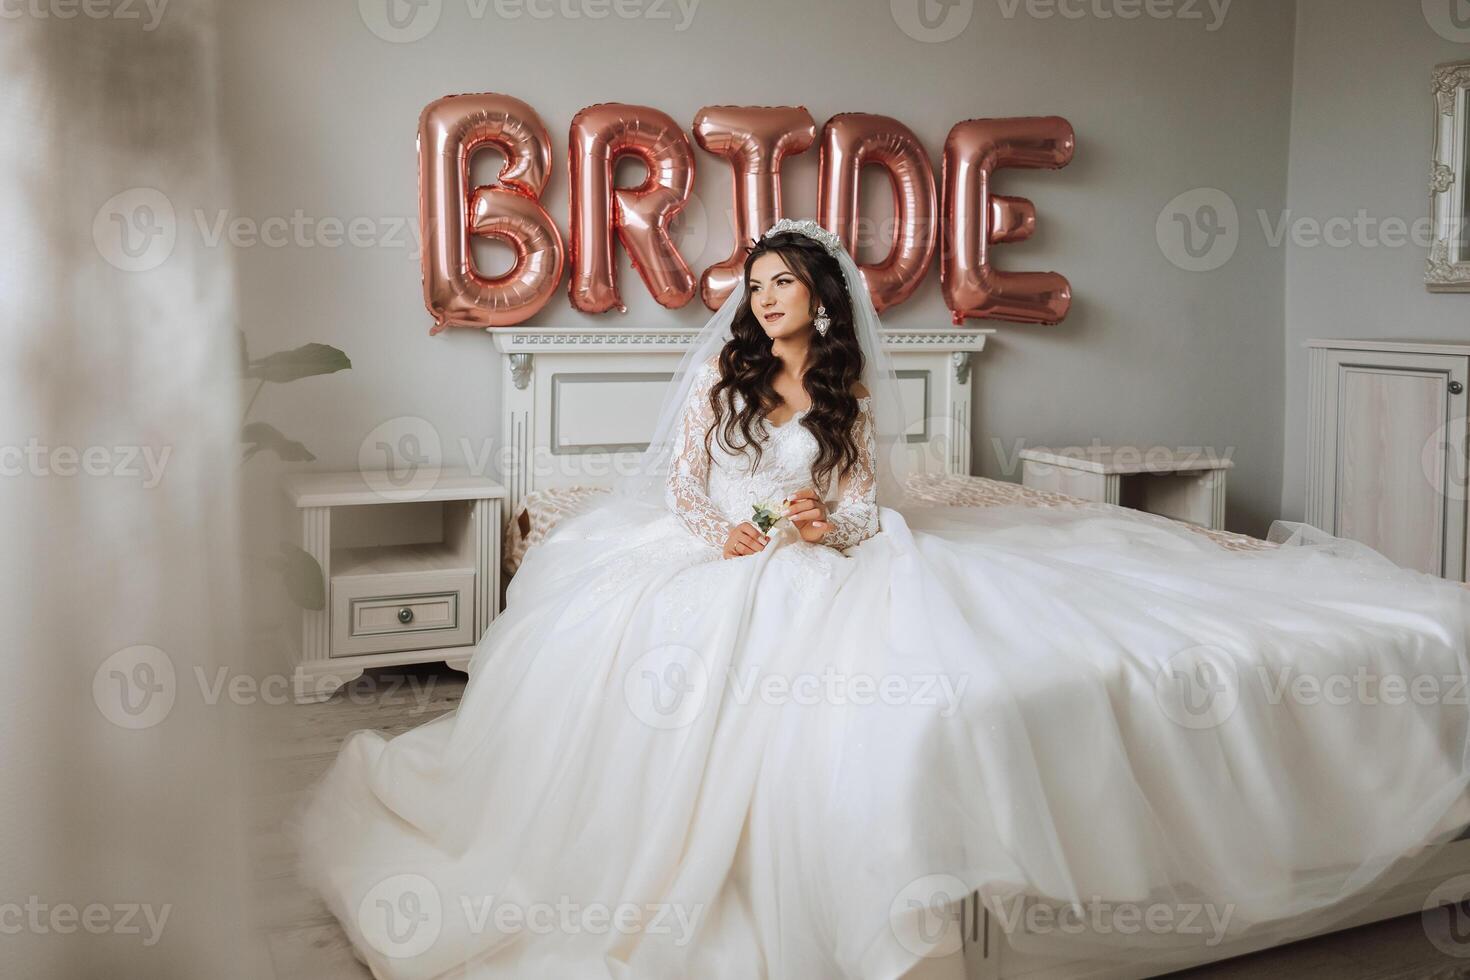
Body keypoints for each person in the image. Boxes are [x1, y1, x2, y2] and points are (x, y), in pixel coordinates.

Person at [292, 219, 1470, 980]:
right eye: (751, 284)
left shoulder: (853, 388)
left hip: (838, 542)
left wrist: (828, 522)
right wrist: (752, 533)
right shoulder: (720, 378)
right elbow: (689, 494)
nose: (763, 299)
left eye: (781, 282)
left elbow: (869, 501)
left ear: (821, 295)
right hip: (722, 552)